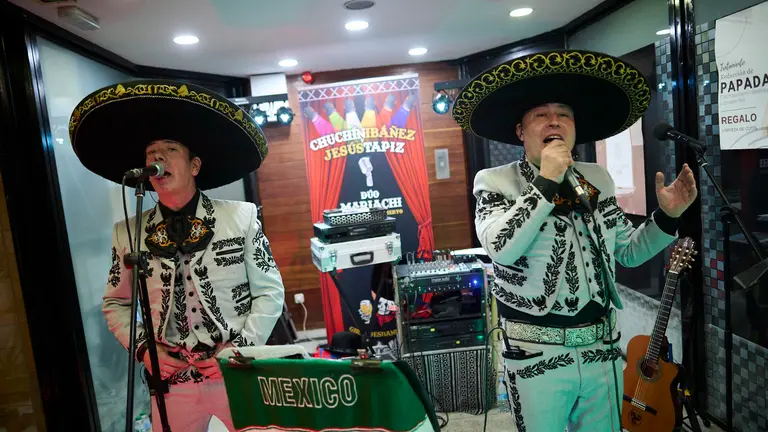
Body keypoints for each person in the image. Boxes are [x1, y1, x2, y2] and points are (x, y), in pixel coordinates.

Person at [451, 51, 697, 431]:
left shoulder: (596, 178)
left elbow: (628, 253)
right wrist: (546, 180)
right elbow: (501, 247)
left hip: (602, 348)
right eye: (541, 115)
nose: (554, 121)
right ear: (520, 130)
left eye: (564, 114)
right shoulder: (494, 181)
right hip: (535, 353)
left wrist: (668, 215)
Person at [69, 80, 285, 431]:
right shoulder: (127, 232)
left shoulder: (241, 217)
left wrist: (241, 348)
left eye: (169, 149)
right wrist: (143, 351)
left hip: (236, 369)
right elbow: (116, 303)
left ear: (194, 165)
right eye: (151, 153)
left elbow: (270, 291)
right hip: (171, 383)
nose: (157, 158)